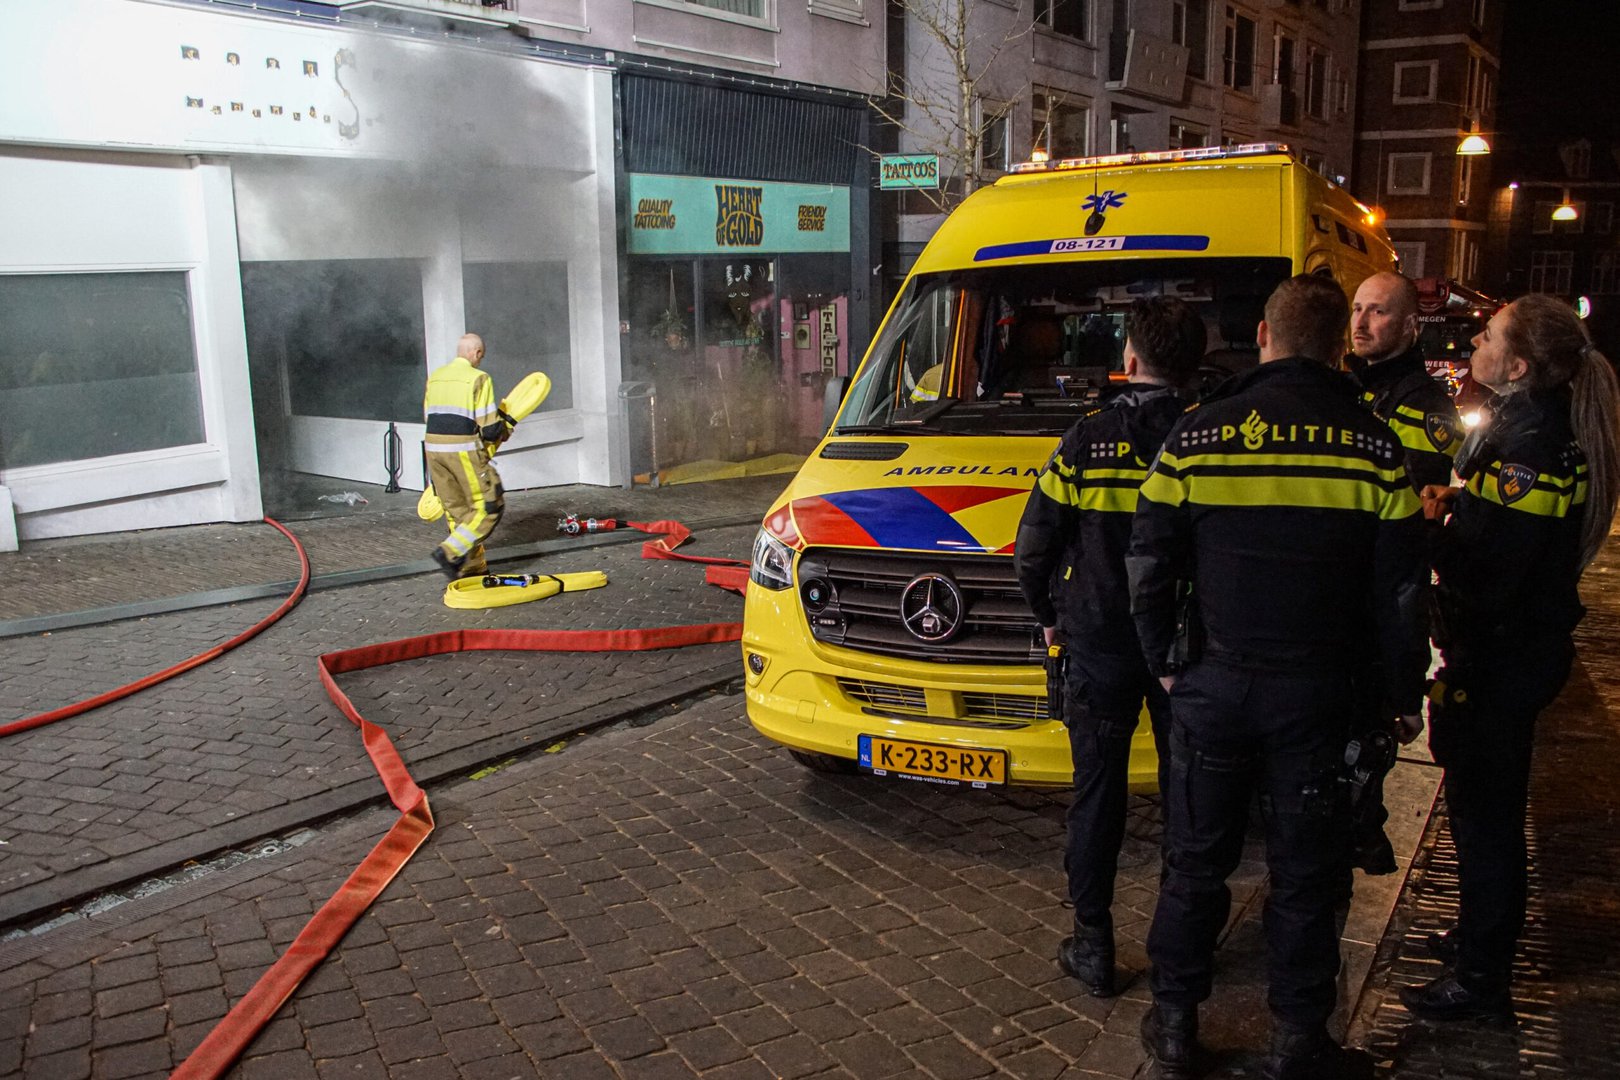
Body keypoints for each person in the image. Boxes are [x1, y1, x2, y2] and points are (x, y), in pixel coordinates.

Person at [1128, 275, 1429, 1080]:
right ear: (1338, 346)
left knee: (1196, 863)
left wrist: (1164, 662)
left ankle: (1176, 1028)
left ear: (1263, 335)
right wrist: (1402, 696)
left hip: (1213, 690)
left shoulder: (1197, 437)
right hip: (1321, 698)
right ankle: (1298, 1039)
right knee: (1306, 874)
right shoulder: (1374, 446)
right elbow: (1401, 594)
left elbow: (1149, 562)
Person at [1399, 295, 1620, 1022]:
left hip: (1501, 657)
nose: (1475, 342)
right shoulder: (1530, 431)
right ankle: (1473, 936)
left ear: (1519, 365)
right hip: (1508, 653)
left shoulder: (1530, 449)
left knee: (1487, 822)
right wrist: (1459, 508)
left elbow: (1492, 571)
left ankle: (1482, 977)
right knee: (1477, 812)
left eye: (1489, 336)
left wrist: (1432, 530)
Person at [1013, 297, 1206, 997]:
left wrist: (1049, 615)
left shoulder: (1086, 440)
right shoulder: (1206, 439)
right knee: (1190, 798)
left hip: (1097, 638)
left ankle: (1094, 944)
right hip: (1185, 647)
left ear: (1130, 360)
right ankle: (1182, 947)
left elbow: (1033, 547)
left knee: (1097, 794)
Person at [1350, 272, 1463, 491]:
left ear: (1408, 324)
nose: (1360, 323)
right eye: (1357, 309)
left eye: (1377, 311)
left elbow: (1416, 496)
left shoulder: (1426, 406)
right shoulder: (1351, 386)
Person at [424, 333, 512, 579]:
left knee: (459, 511)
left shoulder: (436, 377)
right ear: (477, 354)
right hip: (461, 451)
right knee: (489, 505)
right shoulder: (479, 378)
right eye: (480, 356)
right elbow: (490, 428)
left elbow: (428, 417)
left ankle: (471, 565)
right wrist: (506, 427)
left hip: (433, 450)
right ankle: (450, 552)